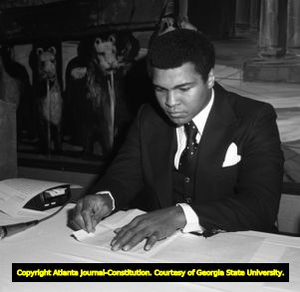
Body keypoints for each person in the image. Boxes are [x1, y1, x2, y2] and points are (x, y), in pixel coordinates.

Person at [71, 28, 284, 252]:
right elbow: (125, 172)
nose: (171, 103)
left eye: (183, 88)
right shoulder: (148, 116)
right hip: (166, 249)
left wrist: (180, 214)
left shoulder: (254, 118)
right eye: (160, 89)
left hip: (240, 247)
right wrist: (106, 196)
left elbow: (261, 205)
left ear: (210, 78)